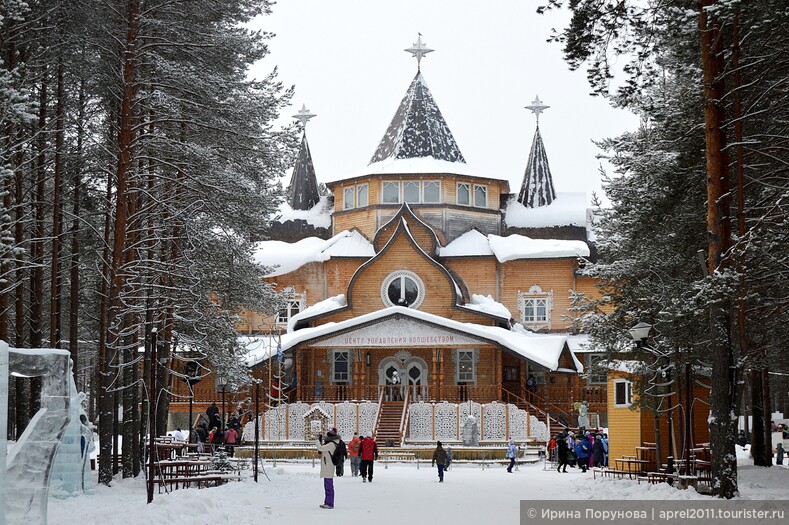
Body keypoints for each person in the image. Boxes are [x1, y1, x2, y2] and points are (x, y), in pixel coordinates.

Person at [316, 428, 339, 509]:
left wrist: (317, 440)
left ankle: (329, 503)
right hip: (327, 466)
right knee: (327, 486)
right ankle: (327, 502)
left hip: (328, 466)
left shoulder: (331, 444)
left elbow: (320, 448)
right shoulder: (331, 443)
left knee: (329, 486)